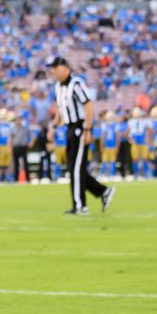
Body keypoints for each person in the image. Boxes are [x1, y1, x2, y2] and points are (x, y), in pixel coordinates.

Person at [48, 57, 113, 215]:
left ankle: (80, 206)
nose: (53, 71)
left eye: (56, 68)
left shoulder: (76, 84)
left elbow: (88, 105)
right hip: (69, 128)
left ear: (65, 68)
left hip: (80, 127)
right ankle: (103, 191)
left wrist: (87, 129)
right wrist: (54, 126)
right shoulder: (58, 87)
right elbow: (61, 109)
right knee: (74, 168)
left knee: (76, 168)